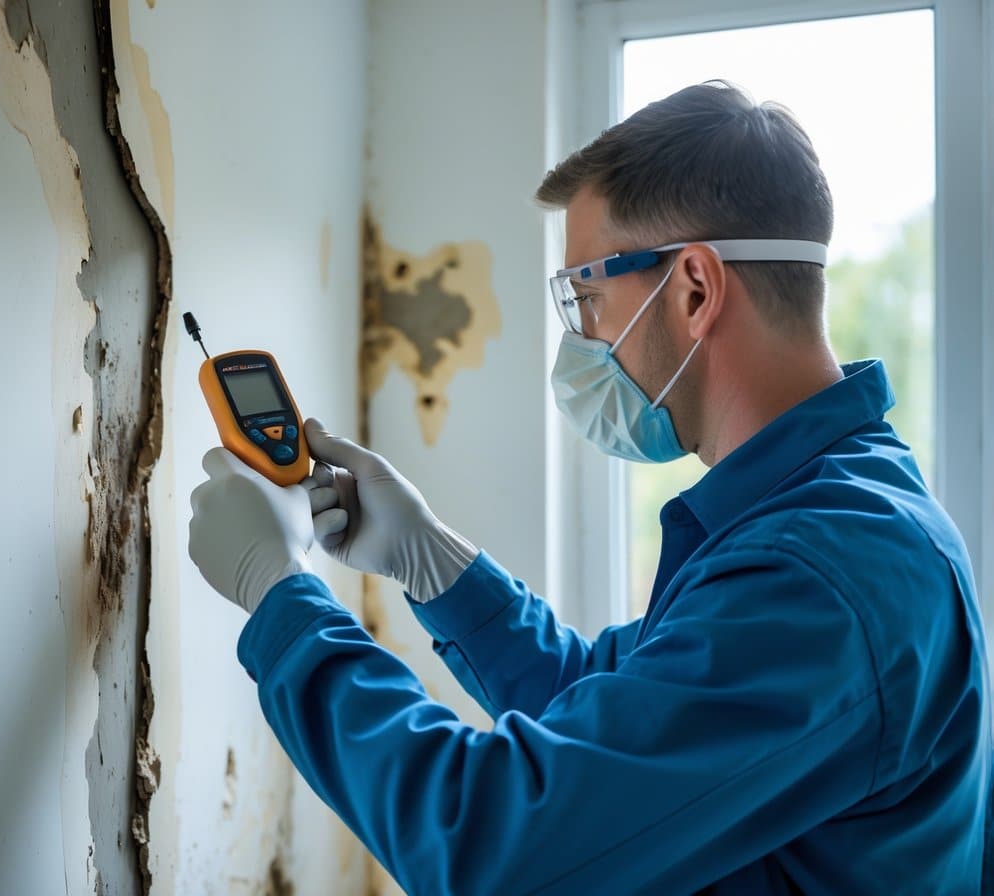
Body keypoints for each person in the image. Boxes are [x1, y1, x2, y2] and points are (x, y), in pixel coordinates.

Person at [188, 82, 991, 894]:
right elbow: (614, 720)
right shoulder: (828, 512)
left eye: (588, 298)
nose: (582, 340)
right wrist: (437, 565)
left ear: (695, 290)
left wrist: (282, 598)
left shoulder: (819, 577)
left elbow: (494, 843)